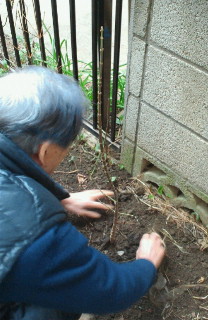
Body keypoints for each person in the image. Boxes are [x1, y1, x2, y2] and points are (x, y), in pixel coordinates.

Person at [0, 66, 166, 320]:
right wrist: (146, 264)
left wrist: (59, 201)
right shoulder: (35, 241)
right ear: (44, 152)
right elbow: (111, 291)